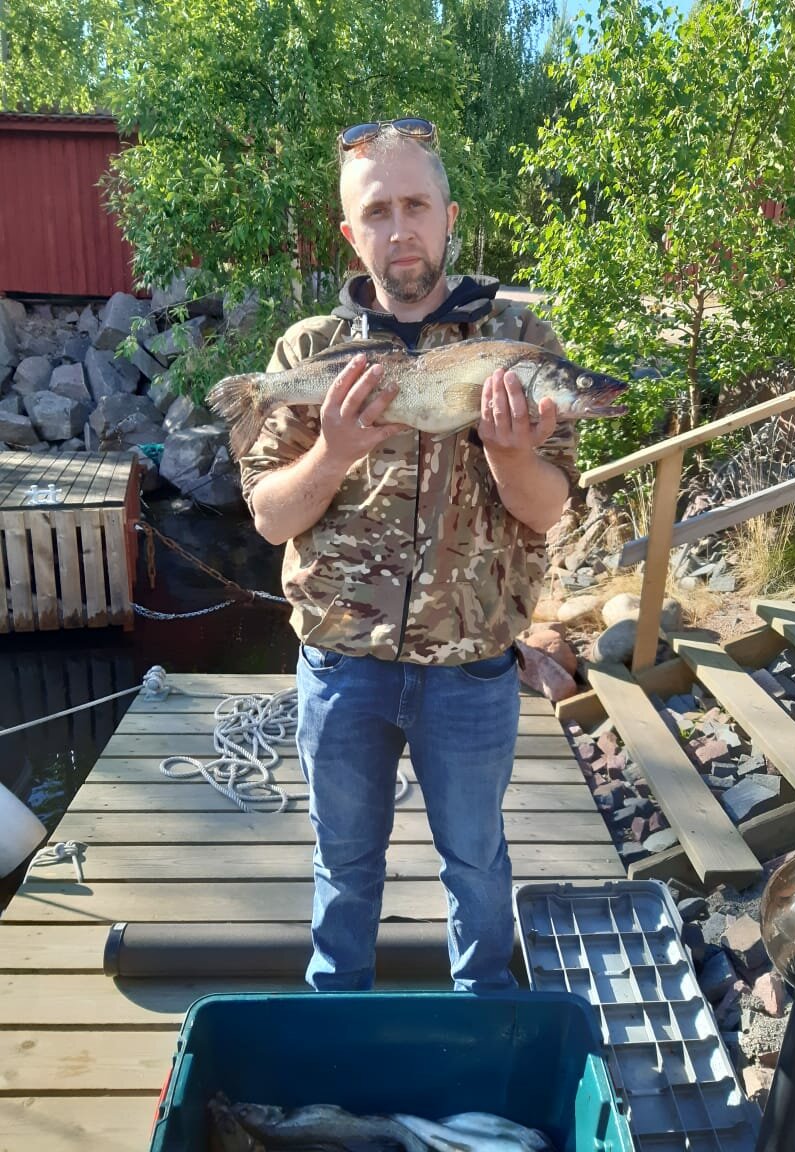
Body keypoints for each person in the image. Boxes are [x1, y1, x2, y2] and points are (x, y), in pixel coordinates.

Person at [239, 116, 578, 992]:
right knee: (344, 864)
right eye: (378, 211)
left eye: (416, 205)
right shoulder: (309, 352)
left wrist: (510, 454)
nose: (400, 228)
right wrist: (333, 451)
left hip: (473, 669)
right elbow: (270, 517)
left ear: (449, 216)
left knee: (476, 861)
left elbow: (549, 509)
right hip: (340, 665)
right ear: (351, 233)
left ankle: (483, 1010)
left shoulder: (520, 344)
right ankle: (335, 1015)